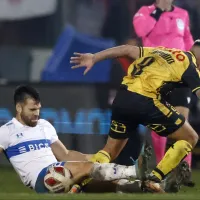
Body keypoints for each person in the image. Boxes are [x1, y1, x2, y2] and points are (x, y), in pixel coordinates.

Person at [70, 40, 200, 192]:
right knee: (190, 137)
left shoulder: (161, 51)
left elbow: (126, 49)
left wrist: (94, 57)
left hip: (123, 98)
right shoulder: (190, 66)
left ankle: (77, 183)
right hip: (145, 100)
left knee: (108, 152)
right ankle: (154, 179)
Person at [0, 85, 160, 193]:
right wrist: (88, 164)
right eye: (32, 109)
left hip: (61, 172)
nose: (36, 113)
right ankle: (134, 171)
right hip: (45, 179)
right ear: (19, 107)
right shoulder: (6, 132)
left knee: (113, 185)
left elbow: (66, 155)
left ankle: (150, 186)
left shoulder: (43, 125)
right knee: (86, 168)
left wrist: (92, 158)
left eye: (38, 109)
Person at [133, 0, 194, 186]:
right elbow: (141, 31)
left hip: (179, 74)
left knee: (182, 122)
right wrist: (158, 11)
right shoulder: (144, 12)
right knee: (159, 125)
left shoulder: (183, 14)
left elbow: (187, 39)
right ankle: (162, 167)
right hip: (155, 74)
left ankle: (185, 172)